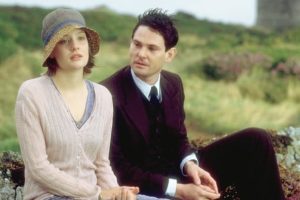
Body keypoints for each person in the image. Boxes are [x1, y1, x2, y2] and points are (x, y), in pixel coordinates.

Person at [101, 8, 285, 200]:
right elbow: (116, 168)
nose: (141, 54)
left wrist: (190, 165)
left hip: (180, 174)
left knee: (256, 140)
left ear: (169, 55)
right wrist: (178, 190)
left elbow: (179, 138)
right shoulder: (105, 94)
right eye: (136, 44)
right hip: (143, 189)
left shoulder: (173, 83)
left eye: (152, 48)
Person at [15, 8, 139, 200]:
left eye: (81, 38)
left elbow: (101, 164)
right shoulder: (31, 93)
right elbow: (38, 168)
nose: (75, 46)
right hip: (49, 196)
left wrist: (117, 193)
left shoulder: (103, 96)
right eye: (64, 40)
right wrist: (97, 194)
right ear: (52, 51)